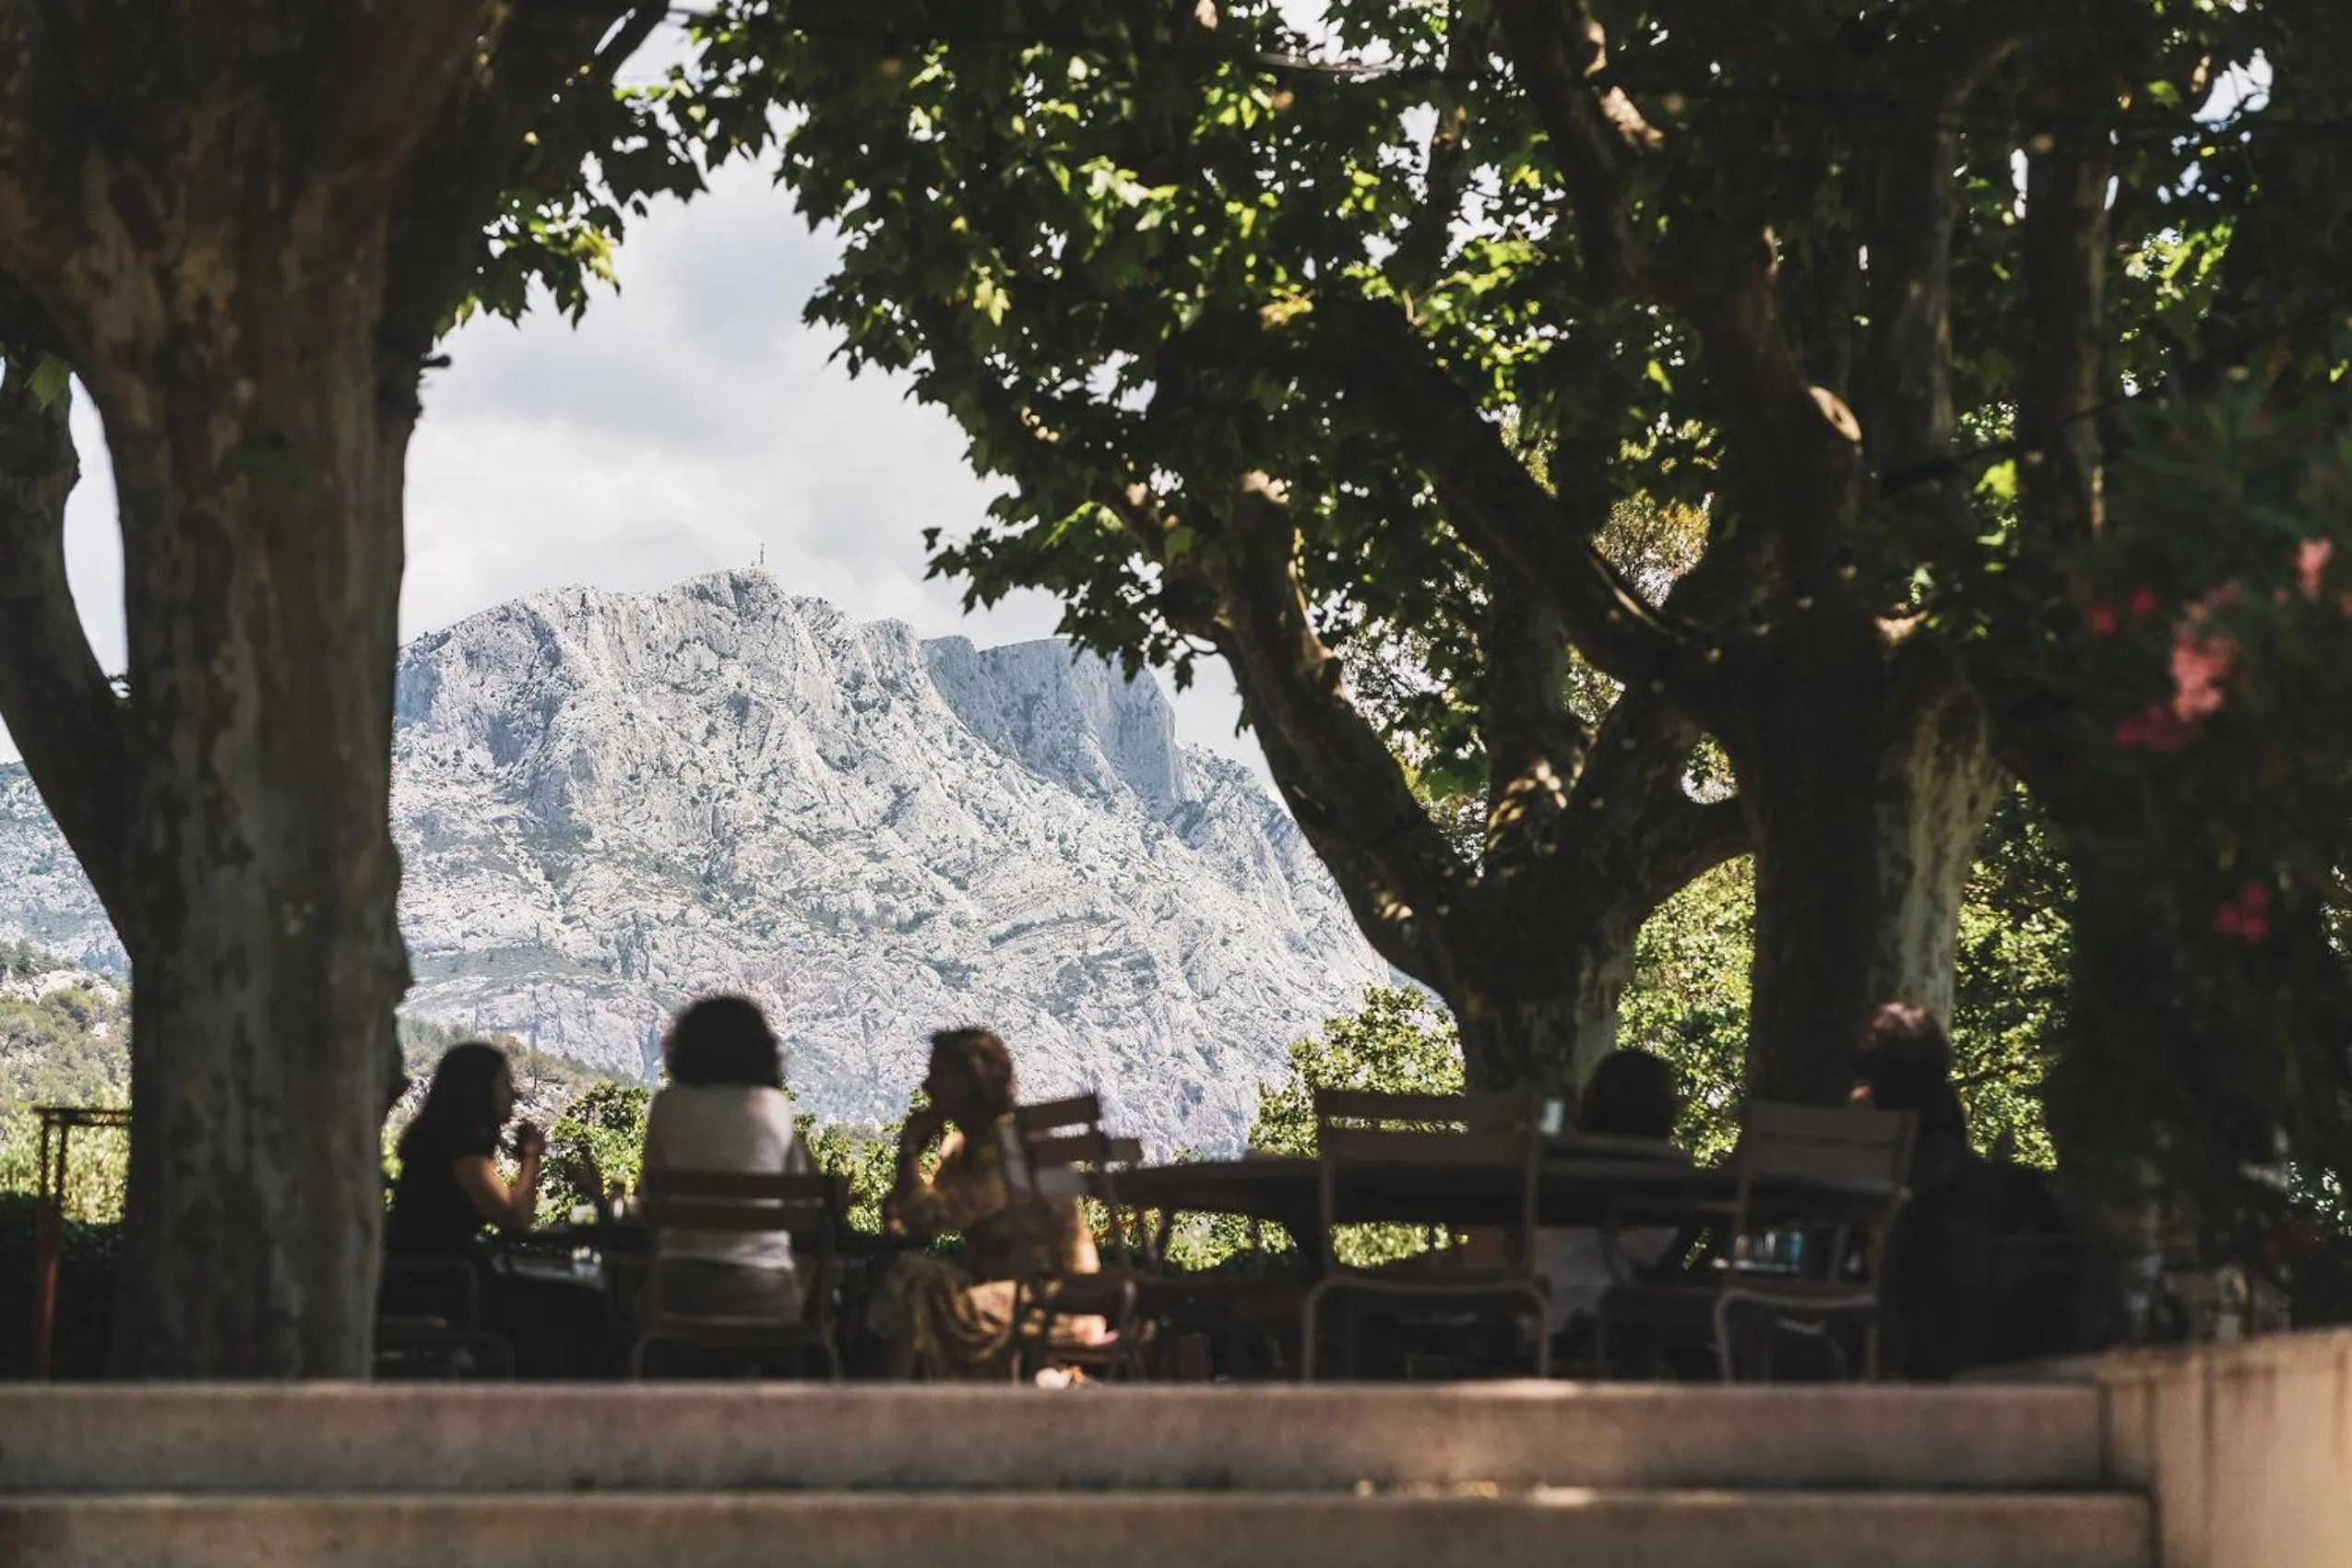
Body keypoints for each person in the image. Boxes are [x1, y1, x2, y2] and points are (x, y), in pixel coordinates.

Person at [864, 1027, 1103, 1380]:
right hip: (1004, 1288)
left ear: (972, 1081)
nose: (927, 1087)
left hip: (1057, 1300)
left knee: (913, 1279)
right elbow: (912, 1217)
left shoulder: (1012, 1146)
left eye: (939, 1075)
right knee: (909, 1275)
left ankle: (892, 1404)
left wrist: (910, 1152)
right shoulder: (963, 1150)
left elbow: (937, 1216)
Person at [384, 1041, 610, 1377]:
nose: (514, 1094)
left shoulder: (449, 1141)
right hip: (444, 1284)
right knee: (582, 1303)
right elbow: (516, 1220)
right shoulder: (462, 1150)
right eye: (504, 1084)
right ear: (478, 1091)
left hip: (439, 1276)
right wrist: (531, 1157)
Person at [636, 995, 810, 1323]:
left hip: (678, 1296)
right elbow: (798, 1204)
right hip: (766, 1298)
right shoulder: (775, 1106)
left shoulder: (667, 1105)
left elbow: (647, 1197)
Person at [1532, 1050, 1690, 1342]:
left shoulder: (1559, 1160)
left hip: (1539, 1300)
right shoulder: (1642, 1172)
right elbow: (1653, 1252)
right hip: (1603, 1305)